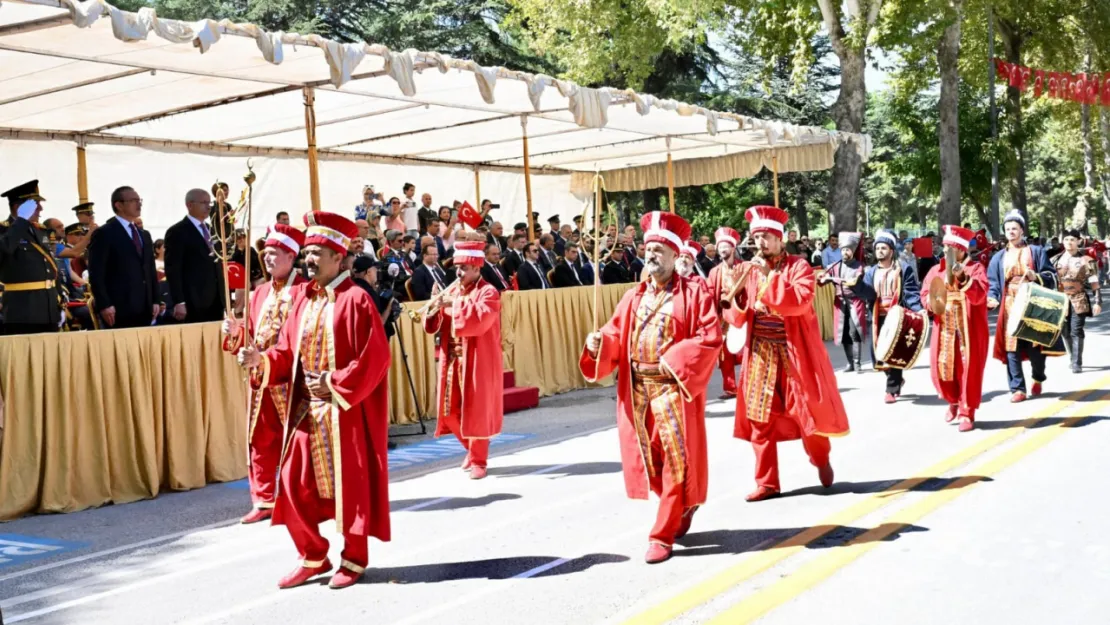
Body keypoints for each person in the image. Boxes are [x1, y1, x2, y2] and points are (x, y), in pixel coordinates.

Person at [236, 211, 391, 590]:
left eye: (316, 252)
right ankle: (313, 554)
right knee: (291, 483)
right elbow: (286, 351)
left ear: (339, 257)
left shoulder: (356, 300)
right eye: (306, 251)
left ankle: (353, 559)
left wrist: (334, 382)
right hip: (306, 412)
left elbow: (375, 357)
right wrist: (261, 360)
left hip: (344, 411)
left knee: (350, 489)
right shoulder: (303, 300)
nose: (308, 258)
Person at [582, 211, 720, 564]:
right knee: (651, 462)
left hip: (673, 389)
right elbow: (615, 334)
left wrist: (673, 361)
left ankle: (661, 534)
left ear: (676, 255)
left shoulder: (694, 293)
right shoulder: (633, 297)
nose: (653, 254)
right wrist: (600, 344)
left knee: (676, 462)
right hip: (638, 391)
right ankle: (682, 505)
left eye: (660, 249)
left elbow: (709, 338)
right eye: (649, 248)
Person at [722, 206, 848, 502]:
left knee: (807, 415)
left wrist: (769, 277)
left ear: (780, 239)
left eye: (766, 236)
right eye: (756, 237)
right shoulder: (747, 270)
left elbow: (799, 303)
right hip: (761, 353)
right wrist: (733, 302)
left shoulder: (800, 267)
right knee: (758, 418)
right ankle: (767, 482)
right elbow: (737, 316)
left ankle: (820, 459)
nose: (760, 242)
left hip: (794, 353)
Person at [222, 224, 307, 523]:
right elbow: (252, 332)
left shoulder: (305, 292)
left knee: (298, 440)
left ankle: (302, 496)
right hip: (261, 379)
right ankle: (264, 498)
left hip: (292, 379)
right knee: (260, 438)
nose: (268, 259)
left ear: (291, 255)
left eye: (274, 254)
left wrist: (268, 358)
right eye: (265, 254)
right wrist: (236, 332)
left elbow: (302, 337)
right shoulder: (259, 293)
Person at [421, 241, 504, 479]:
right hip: (453, 360)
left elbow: (479, 321)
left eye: (464, 268)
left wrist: (453, 305)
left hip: (477, 361)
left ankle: (480, 460)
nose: (458, 273)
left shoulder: (488, 291)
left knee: (475, 411)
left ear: (477, 268)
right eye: (457, 268)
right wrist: (435, 307)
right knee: (448, 411)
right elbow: (437, 325)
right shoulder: (454, 291)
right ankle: (469, 448)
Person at [987, 210, 1064, 402]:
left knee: (1035, 346)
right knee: (1011, 346)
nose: (1011, 231)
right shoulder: (998, 258)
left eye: (1015, 228)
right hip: (1009, 304)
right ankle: (1017, 389)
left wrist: (1035, 276)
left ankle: (1038, 376)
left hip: (1032, 302)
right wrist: (993, 298)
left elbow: (1051, 276)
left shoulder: (1036, 251)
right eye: (1008, 228)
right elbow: (993, 284)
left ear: (1022, 230)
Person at [920, 226, 989, 432]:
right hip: (944, 328)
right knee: (942, 367)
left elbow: (980, 296)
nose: (945, 251)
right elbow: (925, 293)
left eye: (950, 247)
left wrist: (962, 279)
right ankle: (953, 400)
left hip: (968, 328)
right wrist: (931, 304)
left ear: (961, 251)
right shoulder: (935, 270)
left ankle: (967, 411)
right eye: (945, 246)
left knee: (967, 370)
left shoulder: (975, 269)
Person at [86, 186, 161, 329]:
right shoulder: (105, 233)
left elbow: (150, 270)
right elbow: (96, 273)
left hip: (145, 306)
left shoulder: (144, 234)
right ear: (118, 205)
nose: (138, 204)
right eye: (133, 200)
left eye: (140, 200)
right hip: (118, 308)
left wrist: (155, 300)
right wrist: (105, 304)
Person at [864, 229, 921, 403]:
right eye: (877, 248)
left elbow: (910, 291)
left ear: (891, 250)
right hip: (877, 315)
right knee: (878, 355)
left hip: (896, 315)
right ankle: (895, 378)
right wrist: (854, 286)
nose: (879, 251)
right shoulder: (871, 271)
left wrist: (918, 309)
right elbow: (866, 292)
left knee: (893, 351)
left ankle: (892, 389)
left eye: (883, 248)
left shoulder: (902, 269)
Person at [0, 180, 64, 334]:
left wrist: (60, 302)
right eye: (35, 204)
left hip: (48, 307)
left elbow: (50, 266)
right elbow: (5, 249)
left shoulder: (40, 231)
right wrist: (21, 220)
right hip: (22, 310)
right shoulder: (4, 231)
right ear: (18, 207)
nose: (40, 208)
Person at [165, 189, 226, 323]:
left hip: (216, 300)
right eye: (203, 202)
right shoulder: (177, 232)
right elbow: (173, 269)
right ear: (190, 205)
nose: (208, 206)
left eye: (209, 202)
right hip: (193, 301)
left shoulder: (212, 229)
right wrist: (179, 301)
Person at [1052, 229, 1101, 373]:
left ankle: (1077, 363)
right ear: (1062, 241)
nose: (1069, 242)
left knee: (1076, 330)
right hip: (1060, 300)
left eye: (1072, 239)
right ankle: (1073, 357)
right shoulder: (1055, 259)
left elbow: (1094, 282)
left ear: (1079, 241)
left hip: (1079, 299)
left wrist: (1097, 301)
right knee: (1064, 331)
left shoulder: (1087, 260)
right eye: (1066, 239)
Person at [821, 232, 869, 373]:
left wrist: (832, 279)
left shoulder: (859, 266)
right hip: (840, 302)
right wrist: (823, 278)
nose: (845, 252)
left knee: (855, 332)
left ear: (852, 251)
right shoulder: (835, 266)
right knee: (844, 334)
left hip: (855, 301)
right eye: (843, 250)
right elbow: (822, 280)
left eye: (847, 250)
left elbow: (852, 282)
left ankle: (858, 363)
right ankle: (850, 363)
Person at [707, 226, 743, 399]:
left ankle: (749, 385)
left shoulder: (743, 268)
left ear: (733, 248)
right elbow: (709, 295)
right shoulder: (714, 272)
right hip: (723, 318)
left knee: (747, 353)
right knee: (725, 355)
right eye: (719, 246)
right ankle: (730, 388)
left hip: (742, 315)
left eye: (725, 246)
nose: (722, 249)